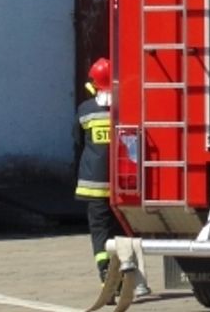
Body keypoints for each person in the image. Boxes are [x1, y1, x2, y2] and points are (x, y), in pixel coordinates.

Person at [74, 57, 150, 299]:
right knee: (124, 230)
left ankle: (106, 273)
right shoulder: (128, 108)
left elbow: (78, 140)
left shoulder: (85, 110)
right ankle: (133, 277)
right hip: (124, 185)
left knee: (100, 232)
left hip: (93, 185)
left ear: (94, 83)